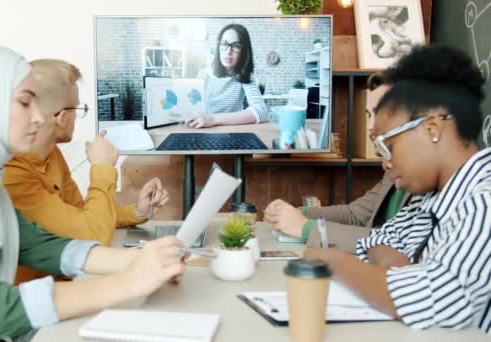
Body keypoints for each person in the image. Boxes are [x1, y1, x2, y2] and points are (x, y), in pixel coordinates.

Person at [0, 45, 184, 341]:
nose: (40, 118)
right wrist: (129, 282)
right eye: (25, 102)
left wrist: (139, 262)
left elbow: (41, 245)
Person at [305, 45, 491, 333]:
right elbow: (375, 241)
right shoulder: (426, 200)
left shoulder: (483, 204)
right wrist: (403, 271)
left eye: (387, 146)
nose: (386, 162)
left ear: (432, 128)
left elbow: (433, 301)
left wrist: (333, 260)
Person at [3, 59, 170, 283]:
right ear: (62, 118)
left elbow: (82, 214)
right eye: (78, 109)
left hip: (63, 286)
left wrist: (136, 212)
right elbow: (92, 236)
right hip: (33, 303)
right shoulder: (13, 175)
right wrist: (102, 167)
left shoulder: (51, 154)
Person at [263, 72, 406, 253]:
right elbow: (355, 214)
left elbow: (396, 243)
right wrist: (297, 214)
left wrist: (305, 227)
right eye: (369, 115)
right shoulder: (393, 164)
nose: (370, 126)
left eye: (379, 114)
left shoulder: (431, 185)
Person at [185, 23, 268, 128]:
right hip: (205, 131)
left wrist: (213, 119)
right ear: (218, 47)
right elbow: (191, 108)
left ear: (243, 51)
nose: (229, 51)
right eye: (224, 44)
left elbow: (262, 111)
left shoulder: (245, 76)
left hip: (233, 132)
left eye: (236, 46)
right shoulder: (204, 74)